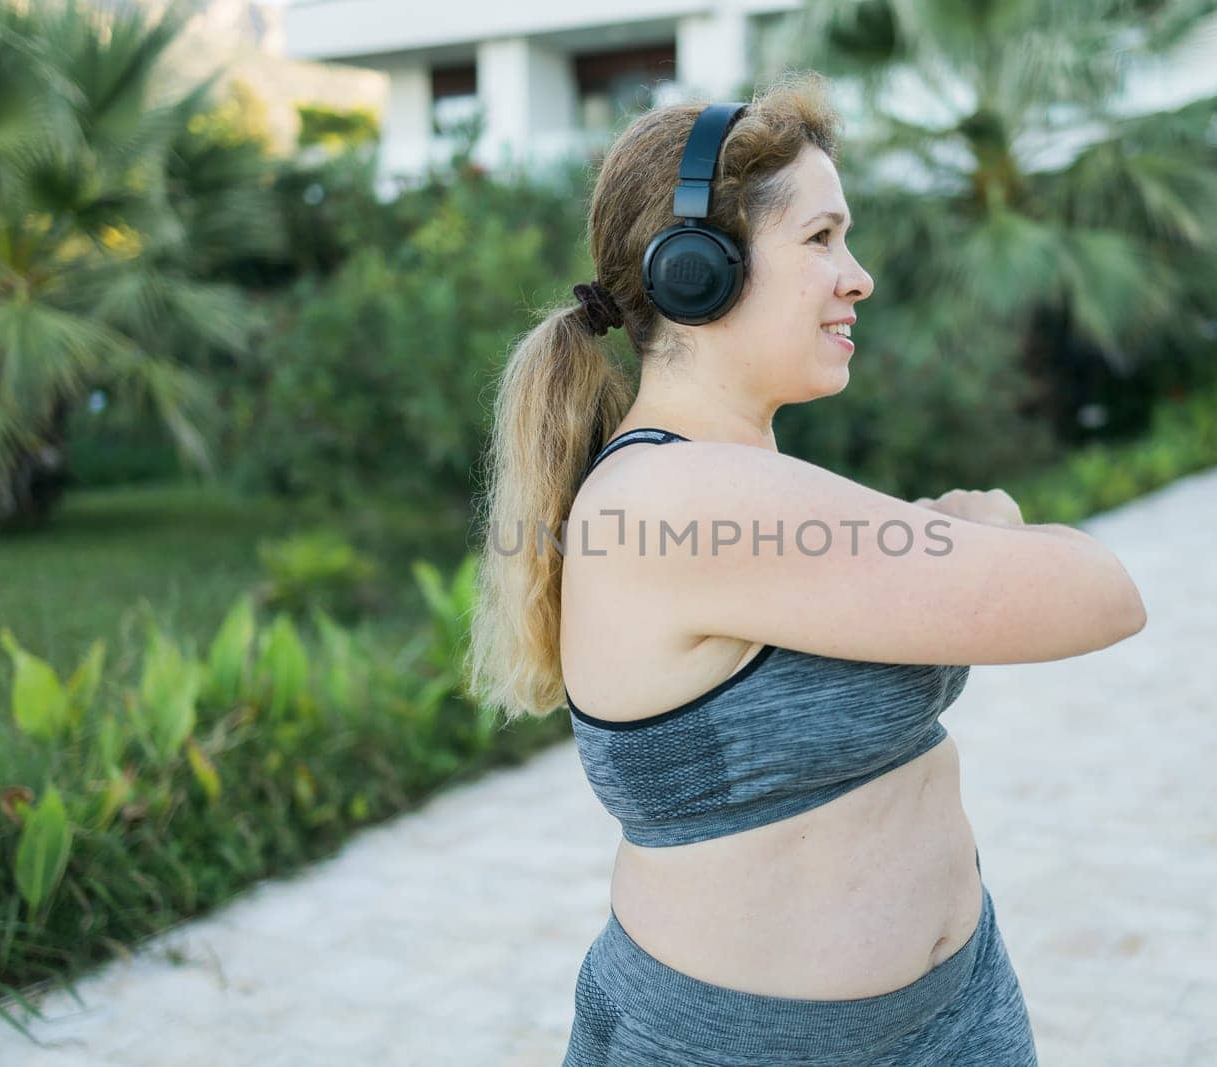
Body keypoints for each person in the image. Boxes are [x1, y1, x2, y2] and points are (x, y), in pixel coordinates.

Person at [466, 70, 1146, 1066]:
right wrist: (992, 520)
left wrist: (961, 539)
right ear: (697, 270)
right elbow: (1100, 592)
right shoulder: (682, 500)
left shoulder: (743, 486)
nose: (856, 274)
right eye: (821, 238)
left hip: (954, 1009)